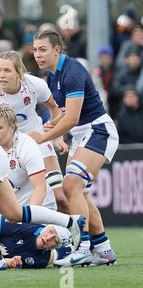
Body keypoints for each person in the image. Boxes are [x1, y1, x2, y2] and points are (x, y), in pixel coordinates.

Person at [30, 30, 119, 267]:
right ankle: (104, 249)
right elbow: (62, 115)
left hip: (99, 131)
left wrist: (43, 138)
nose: (37, 54)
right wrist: (54, 130)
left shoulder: (72, 71)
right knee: (78, 193)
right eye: (35, 49)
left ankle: (82, 248)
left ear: (56, 50)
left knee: (71, 186)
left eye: (42, 49)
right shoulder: (52, 76)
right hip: (82, 134)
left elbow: (72, 118)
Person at [0, 50, 70, 214]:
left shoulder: (35, 84)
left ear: (19, 72)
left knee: (61, 198)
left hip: (37, 140)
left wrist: (57, 137)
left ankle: (71, 237)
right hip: (4, 146)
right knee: (6, 202)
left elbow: (55, 109)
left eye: (7, 70)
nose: (1, 75)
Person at [0, 106, 56, 213]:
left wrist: (26, 219)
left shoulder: (27, 145)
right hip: (4, 213)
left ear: (13, 128)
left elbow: (40, 189)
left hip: (36, 210)